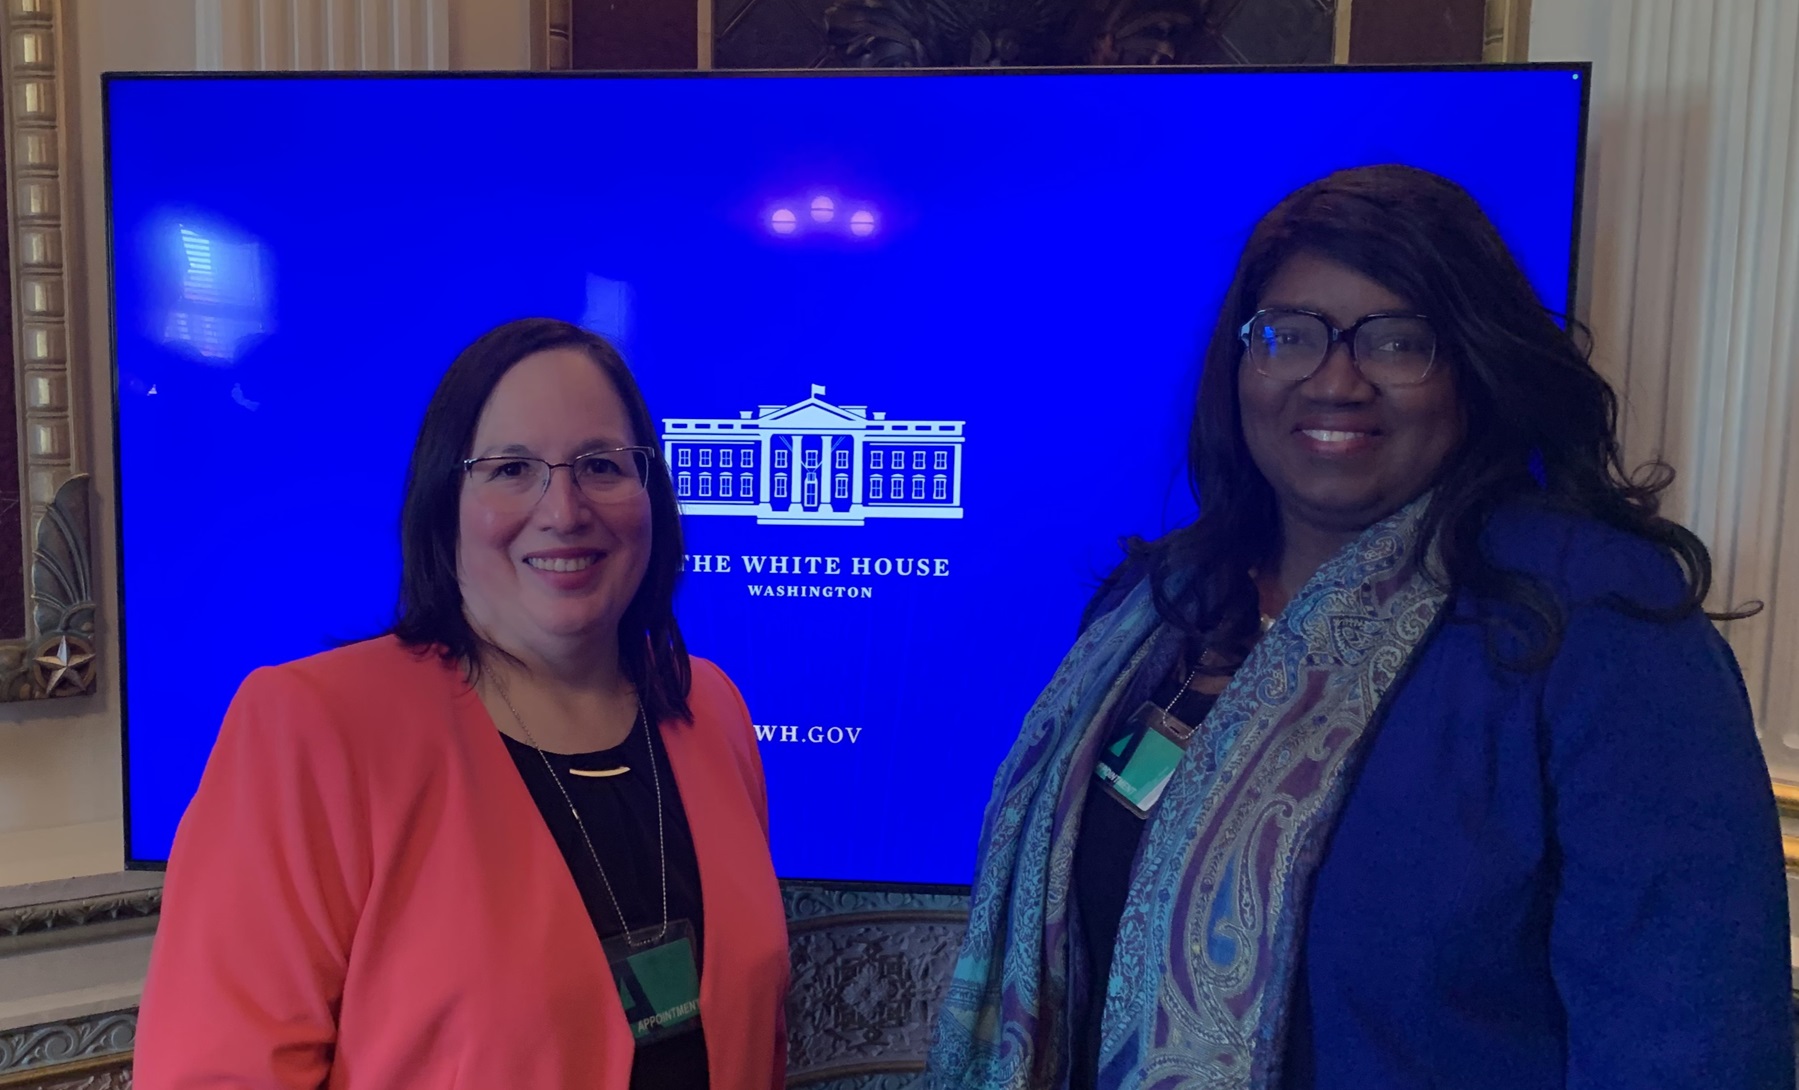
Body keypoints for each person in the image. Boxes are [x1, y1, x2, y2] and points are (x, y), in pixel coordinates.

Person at [928, 165, 1792, 1090]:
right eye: (1289, 336)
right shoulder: (1155, 603)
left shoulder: (1595, 624)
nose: (1334, 381)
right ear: (1240, 365)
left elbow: (1692, 1045)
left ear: (1472, 366)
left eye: (1395, 341)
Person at [136, 318, 790, 1089]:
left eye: (601, 465)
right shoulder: (312, 727)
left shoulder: (707, 707)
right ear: (445, 502)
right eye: (512, 469)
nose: (564, 510)